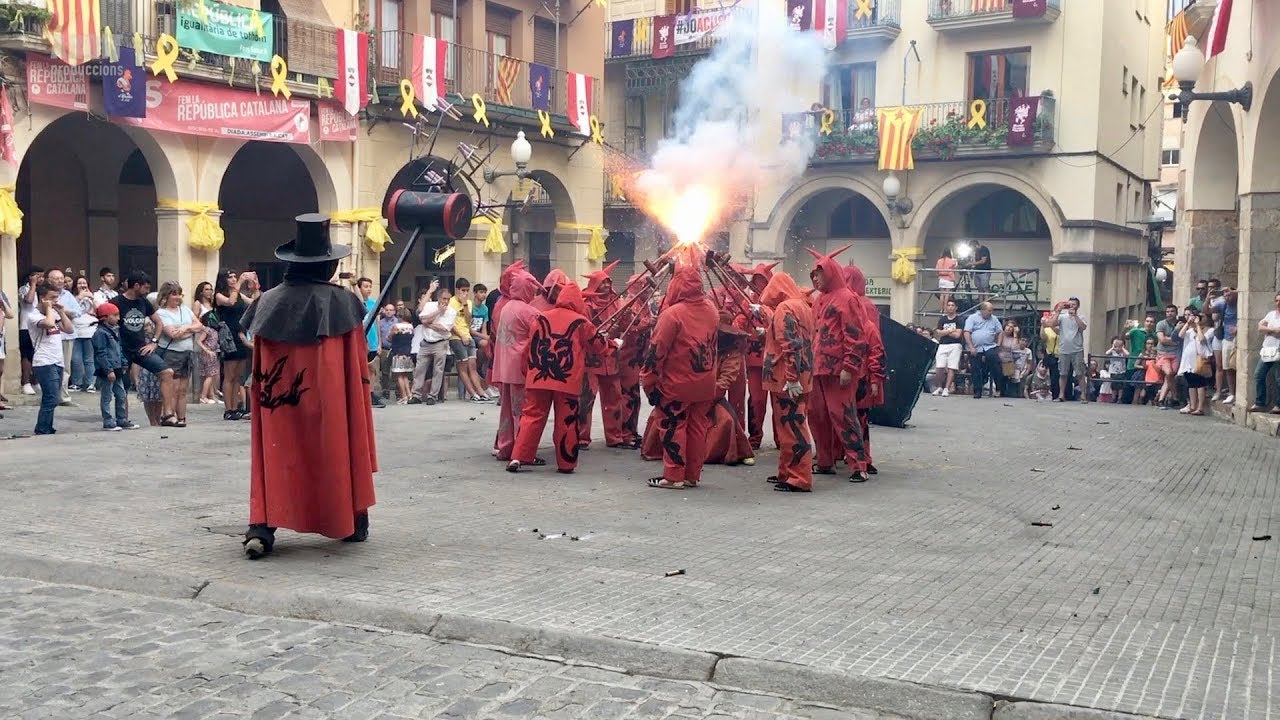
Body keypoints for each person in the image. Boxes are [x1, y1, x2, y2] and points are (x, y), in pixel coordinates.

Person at [239, 214, 377, 560]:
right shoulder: (343, 302)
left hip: (279, 399)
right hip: (330, 397)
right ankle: (353, 516)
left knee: (276, 452)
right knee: (337, 448)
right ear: (327, 265)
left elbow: (260, 362)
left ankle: (262, 527)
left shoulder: (267, 301)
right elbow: (358, 365)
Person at [506, 277, 603, 474]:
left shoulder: (542, 317)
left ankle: (518, 457)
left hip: (539, 375)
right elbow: (597, 345)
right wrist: (615, 344)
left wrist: (528, 372)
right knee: (566, 420)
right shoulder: (581, 321)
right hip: (566, 379)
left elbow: (529, 347)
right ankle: (566, 463)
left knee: (531, 417)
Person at [640, 265, 719, 489]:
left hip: (677, 383)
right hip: (704, 382)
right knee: (697, 428)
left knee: (673, 426)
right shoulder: (711, 309)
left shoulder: (672, 315)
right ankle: (692, 475)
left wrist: (649, 382)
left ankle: (674, 476)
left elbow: (656, 352)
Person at [804, 245, 871, 483]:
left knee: (843, 415)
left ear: (830, 272)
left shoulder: (847, 298)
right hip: (818, 368)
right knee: (817, 415)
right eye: (813, 275)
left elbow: (856, 335)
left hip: (838, 370)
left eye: (819, 274)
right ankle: (824, 461)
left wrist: (849, 367)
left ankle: (858, 464)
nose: (815, 278)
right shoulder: (819, 300)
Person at [759, 271, 815, 493]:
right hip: (802, 376)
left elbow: (789, 344)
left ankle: (799, 477)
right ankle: (787, 472)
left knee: (792, 427)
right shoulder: (802, 306)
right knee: (789, 428)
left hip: (786, 378)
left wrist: (791, 378)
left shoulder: (785, 308)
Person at [491, 265, 541, 462]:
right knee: (522, 412)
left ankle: (505, 447)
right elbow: (540, 335)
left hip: (503, 367)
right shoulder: (529, 311)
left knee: (506, 412)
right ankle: (522, 451)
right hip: (520, 369)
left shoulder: (505, 306)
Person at [580, 262, 632, 449]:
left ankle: (615, 436)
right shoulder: (586, 306)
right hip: (592, 359)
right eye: (602, 283)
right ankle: (581, 437)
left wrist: (624, 321)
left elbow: (626, 324)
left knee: (613, 398)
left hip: (611, 358)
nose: (606, 287)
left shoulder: (617, 302)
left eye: (608, 283)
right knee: (587, 397)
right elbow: (584, 330)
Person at [116, 271, 179, 424]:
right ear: (136, 285)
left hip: (141, 348)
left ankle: (168, 413)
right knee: (122, 384)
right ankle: (122, 418)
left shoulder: (143, 302)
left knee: (167, 372)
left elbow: (158, 322)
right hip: (122, 348)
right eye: (145, 287)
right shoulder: (116, 302)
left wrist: (154, 342)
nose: (147, 291)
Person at [844, 264, 885, 475]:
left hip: (859, 376)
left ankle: (862, 459)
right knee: (858, 419)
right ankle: (861, 458)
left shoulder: (860, 313)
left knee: (857, 419)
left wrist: (875, 380)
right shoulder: (866, 307)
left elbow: (874, 350)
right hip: (859, 375)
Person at [27, 283, 72, 434]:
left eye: (57, 297)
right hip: (44, 361)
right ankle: (41, 428)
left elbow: (69, 329)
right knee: (51, 396)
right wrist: (48, 309)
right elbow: (49, 323)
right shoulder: (34, 316)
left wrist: (61, 311)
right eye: (52, 298)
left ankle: (47, 426)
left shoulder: (54, 313)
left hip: (57, 360)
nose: (55, 300)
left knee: (54, 396)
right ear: (42, 299)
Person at [155, 281, 202, 427]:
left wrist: (185, 327)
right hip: (172, 353)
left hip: (187, 352)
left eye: (179, 294)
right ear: (166, 296)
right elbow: (172, 334)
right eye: (174, 294)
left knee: (183, 389)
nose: (177, 297)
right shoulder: (162, 313)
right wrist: (189, 330)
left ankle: (182, 417)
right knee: (173, 388)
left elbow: (199, 325)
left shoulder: (185, 309)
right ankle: (170, 416)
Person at [91, 303, 139, 431]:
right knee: (107, 396)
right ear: (105, 317)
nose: (118, 318)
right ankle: (108, 420)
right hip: (108, 370)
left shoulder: (115, 331)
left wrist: (123, 363)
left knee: (121, 394)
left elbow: (119, 349)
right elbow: (101, 353)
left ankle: (121, 419)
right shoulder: (101, 333)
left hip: (117, 368)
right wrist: (108, 370)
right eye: (115, 315)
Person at [449, 278, 490, 403]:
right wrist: (461, 335)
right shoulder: (451, 302)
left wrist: (465, 304)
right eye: (463, 290)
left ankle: (481, 393)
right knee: (463, 367)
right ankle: (472, 394)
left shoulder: (469, 303)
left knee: (472, 366)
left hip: (468, 336)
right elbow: (450, 323)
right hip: (456, 337)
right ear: (457, 290)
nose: (465, 293)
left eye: (467, 290)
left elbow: (468, 320)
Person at [411, 283, 452, 404]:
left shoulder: (451, 311)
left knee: (438, 370)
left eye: (448, 299)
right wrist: (438, 312)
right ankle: (416, 395)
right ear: (438, 298)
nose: (446, 301)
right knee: (419, 369)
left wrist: (428, 323)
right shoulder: (430, 305)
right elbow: (422, 318)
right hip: (426, 342)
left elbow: (444, 328)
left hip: (440, 342)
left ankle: (432, 396)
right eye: (444, 299)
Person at [1045, 297, 1088, 403]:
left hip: (1077, 349)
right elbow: (1051, 324)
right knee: (1063, 373)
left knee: (1079, 373)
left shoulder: (1081, 316)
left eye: (1074, 304)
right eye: (1069, 304)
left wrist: (1075, 316)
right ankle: (1061, 395)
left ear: (1077, 306)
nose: (1071, 306)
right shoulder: (1062, 317)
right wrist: (1058, 311)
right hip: (1064, 349)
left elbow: (1083, 327)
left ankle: (1083, 395)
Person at [354, 276, 387, 409]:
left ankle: (371, 393)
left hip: (373, 340)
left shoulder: (374, 303)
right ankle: (361, 393)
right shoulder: (356, 303)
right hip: (362, 341)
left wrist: (379, 343)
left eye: (369, 287)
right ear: (359, 288)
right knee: (362, 368)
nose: (368, 289)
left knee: (372, 369)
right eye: (365, 286)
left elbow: (377, 323)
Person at [964, 302, 1003, 400]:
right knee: (975, 368)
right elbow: (967, 333)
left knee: (996, 365)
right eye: (989, 310)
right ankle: (977, 391)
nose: (991, 313)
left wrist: (998, 344)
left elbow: (1000, 332)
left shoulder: (994, 319)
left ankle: (999, 387)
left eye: (992, 310)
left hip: (990, 346)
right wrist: (971, 347)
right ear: (982, 310)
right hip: (975, 347)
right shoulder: (972, 318)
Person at [1179, 308, 1214, 416]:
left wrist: (1198, 326)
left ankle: (1200, 407)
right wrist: (1188, 323)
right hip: (1188, 361)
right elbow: (1180, 335)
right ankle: (1193, 406)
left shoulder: (1209, 330)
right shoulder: (1190, 331)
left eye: (1201, 317)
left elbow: (1202, 339)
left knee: (1200, 383)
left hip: (1200, 360)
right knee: (1191, 383)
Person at [1249, 292, 1280, 414]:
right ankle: (1260, 402)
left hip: (1279, 350)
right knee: (1259, 375)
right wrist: (1273, 330)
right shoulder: (1271, 314)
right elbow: (1260, 327)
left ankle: (1278, 405)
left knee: (1279, 379)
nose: (1279, 303)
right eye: (1277, 300)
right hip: (1267, 350)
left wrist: (1268, 330)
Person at [1154, 304, 1185, 407]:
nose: (1169, 313)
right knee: (1169, 372)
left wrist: (1170, 339)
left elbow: (1182, 338)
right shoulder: (1161, 324)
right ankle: (1175, 396)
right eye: (1167, 312)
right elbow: (1162, 340)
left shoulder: (1181, 324)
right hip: (1163, 354)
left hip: (1176, 354)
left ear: (1176, 313)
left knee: (1170, 375)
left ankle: (1161, 399)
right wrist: (1175, 340)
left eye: (1172, 311)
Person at [932, 299, 963, 396]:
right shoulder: (942, 319)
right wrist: (951, 330)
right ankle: (939, 387)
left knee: (951, 367)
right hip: (943, 345)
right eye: (948, 305)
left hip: (955, 345)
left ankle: (946, 388)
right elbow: (939, 333)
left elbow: (957, 335)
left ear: (956, 307)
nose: (950, 307)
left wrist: (945, 331)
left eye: (952, 305)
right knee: (939, 367)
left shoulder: (959, 320)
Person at [1211, 288, 1238, 403]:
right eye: (1225, 295)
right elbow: (1209, 310)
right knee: (1228, 367)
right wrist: (1210, 298)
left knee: (1237, 367)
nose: (1227, 296)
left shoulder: (1240, 302)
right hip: (1227, 338)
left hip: (1238, 339)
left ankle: (1237, 393)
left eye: (1229, 294)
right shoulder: (1223, 304)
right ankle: (1231, 393)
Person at [389, 309, 416, 403]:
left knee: (399, 375)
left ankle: (403, 396)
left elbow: (389, 337)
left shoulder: (396, 326)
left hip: (398, 352)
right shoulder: (411, 326)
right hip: (408, 352)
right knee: (405, 375)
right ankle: (409, 395)